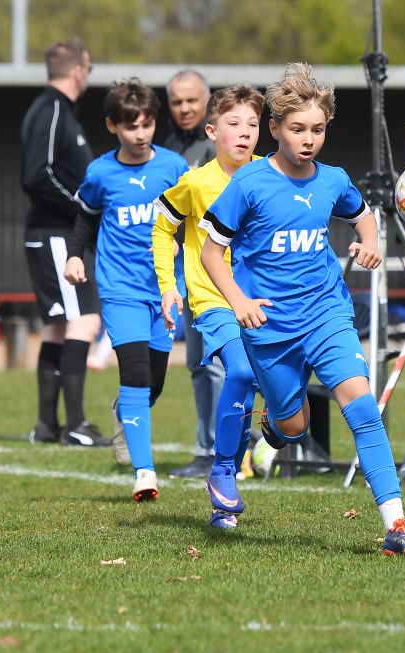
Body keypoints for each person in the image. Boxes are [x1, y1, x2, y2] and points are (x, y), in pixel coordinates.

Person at [200, 63, 405, 557]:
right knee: (294, 428)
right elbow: (210, 253)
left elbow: (363, 218)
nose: (309, 140)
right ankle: (274, 424)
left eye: (318, 129)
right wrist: (239, 301)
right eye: (297, 129)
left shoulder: (333, 180)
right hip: (269, 328)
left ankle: (397, 524)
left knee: (363, 408)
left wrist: (370, 244)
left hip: (327, 314)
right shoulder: (249, 183)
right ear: (274, 129)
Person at [64, 78, 189, 501]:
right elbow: (85, 218)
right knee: (134, 373)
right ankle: (144, 472)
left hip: (166, 289)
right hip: (120, 287)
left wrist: (178, 240)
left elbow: (193, 216)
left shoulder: (174, 167)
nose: (140, 134)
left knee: (154, 383)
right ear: (112, 126)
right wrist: (75, 255)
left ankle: (124, 412)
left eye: (147, 124)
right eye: (130, 126)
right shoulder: (100, 172)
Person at [153, 84, 264, 528]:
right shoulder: (196, 183)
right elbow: (163, 228)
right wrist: (169, 286)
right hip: (213, 301)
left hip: (264, 301)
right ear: (212, 131)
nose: (245, 132)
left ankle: (231, 473)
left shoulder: (271, 175)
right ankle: (222, 473)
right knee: (240, 372)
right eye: (234, 124)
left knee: (260, 392)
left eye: (253, 124)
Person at [20, 40, 109, 447]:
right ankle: (75, 425)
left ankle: (46, 425)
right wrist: (81, 208)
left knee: (58, 327)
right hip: (56, 233)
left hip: (53, 233)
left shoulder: (56, 111)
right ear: (77, 70)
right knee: (85, 320)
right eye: (88, 68)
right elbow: (38, 175)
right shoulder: (52, 110)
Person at [163, 69, 224, 480]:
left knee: (222, 364)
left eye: (191, 100)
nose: (184, 108)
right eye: (177, 102)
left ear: (207, 100)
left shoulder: (223, 145)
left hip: (226, 274)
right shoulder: (167, 150)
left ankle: (229, 448)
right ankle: (208, 449)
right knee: (199, 365)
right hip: (189, 274)